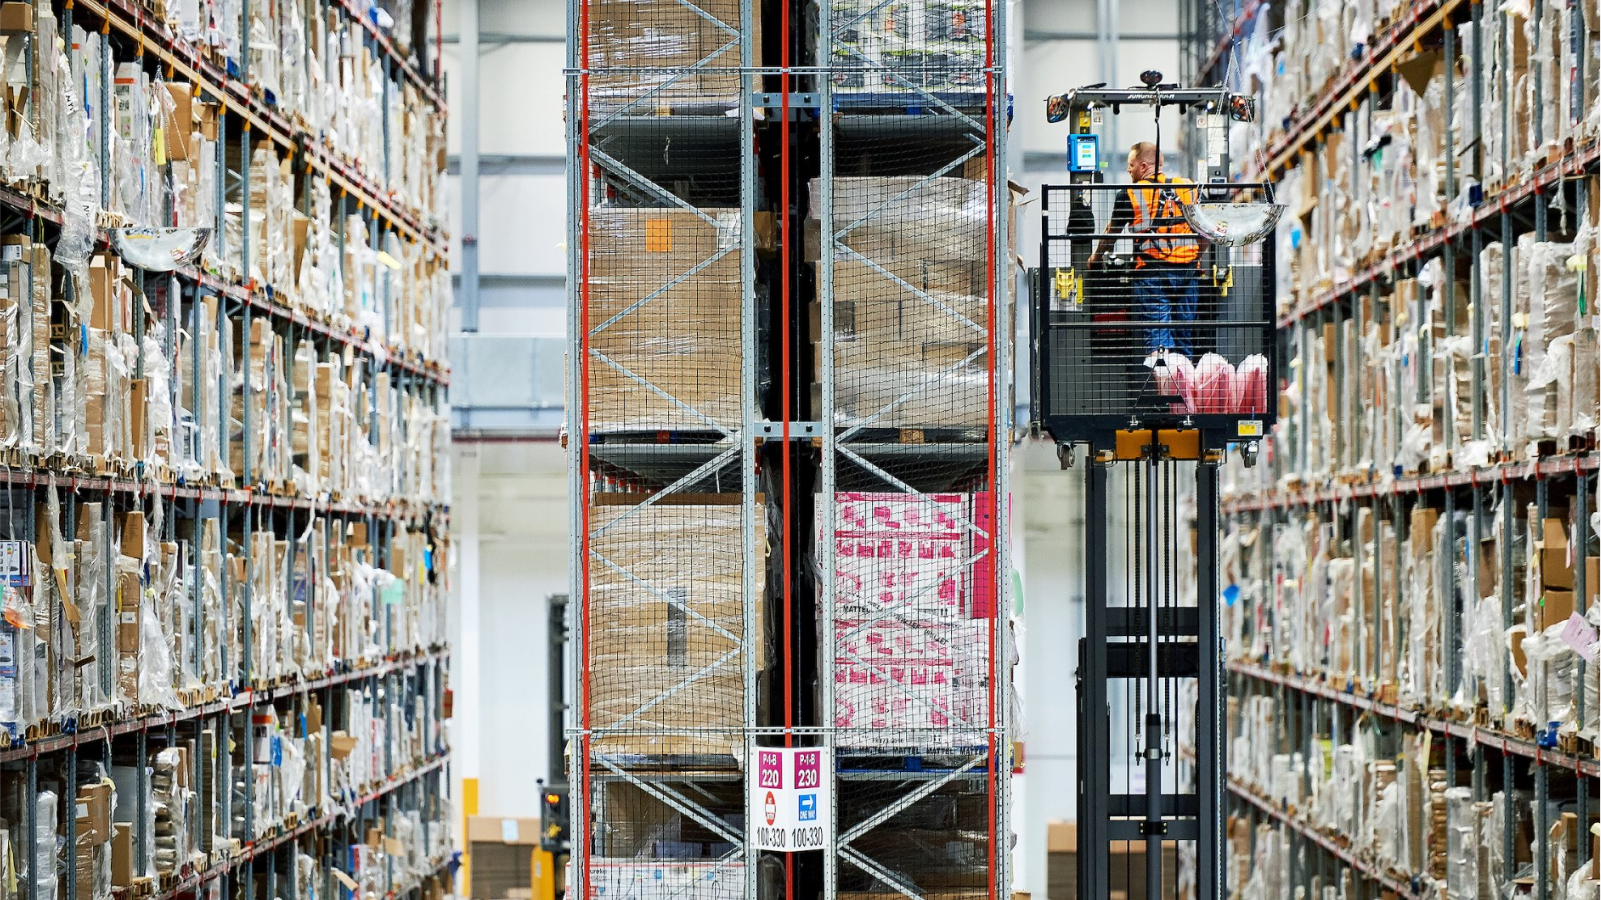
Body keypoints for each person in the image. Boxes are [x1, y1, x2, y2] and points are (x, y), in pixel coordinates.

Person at [1087, 141, 1201, 357]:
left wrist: (1096, 257)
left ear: (1144, 166)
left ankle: (1165, 391)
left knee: (1159, 343)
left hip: (1152, 275)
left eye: (1131, 165)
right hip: (1188, 274)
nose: (1128, 170)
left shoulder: (1131, 194)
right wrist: (1195, 259)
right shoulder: (1188, 188)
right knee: (1184, 338)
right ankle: (1184, 391)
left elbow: (1112, 233)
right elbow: (1204, 232)